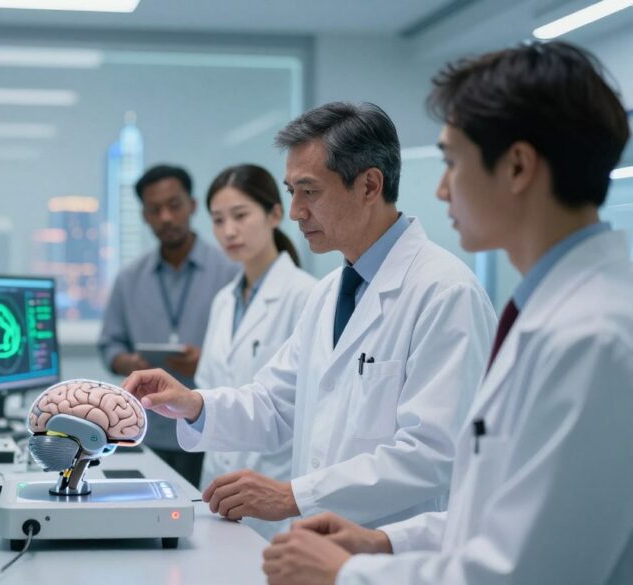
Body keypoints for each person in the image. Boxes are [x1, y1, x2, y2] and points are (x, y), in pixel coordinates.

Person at [260, 41, 633, 585]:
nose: (439, 187)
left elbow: (528, 569)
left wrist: (349, 574)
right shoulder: (549, 314)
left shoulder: (593, 338)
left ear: (518, 166)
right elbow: (495, 512)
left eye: (452, 161)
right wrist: (384, 540)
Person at [124, 103, 496, 531]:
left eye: (310, 191)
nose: (297, 211)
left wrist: (293, 495)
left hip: (392, 559)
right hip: (321, 551)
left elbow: (433, 454)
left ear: (369, 185)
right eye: (291, 191)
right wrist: (192, 404)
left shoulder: (444, 292)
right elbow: (274, 404)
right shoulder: (329, 295)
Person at [196, 163, 317, 540]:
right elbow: (208, 390)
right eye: (218, 220)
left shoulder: (306, 295)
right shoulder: (223, 301)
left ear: (275, 214)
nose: (229, 231)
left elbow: (299, 407)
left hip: (274, 493)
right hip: (216, 491)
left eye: (240, 215)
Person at [99, 164, 239, 485]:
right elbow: (110, 345)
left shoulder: (230, 272)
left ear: (191, 205)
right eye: (154, 209)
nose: (166, 217)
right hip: (143, 432)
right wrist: (130, 362)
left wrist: (205, 360)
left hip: (206, 431)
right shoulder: (129, 279)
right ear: (144, 216)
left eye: (174, 206)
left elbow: (245, 353)